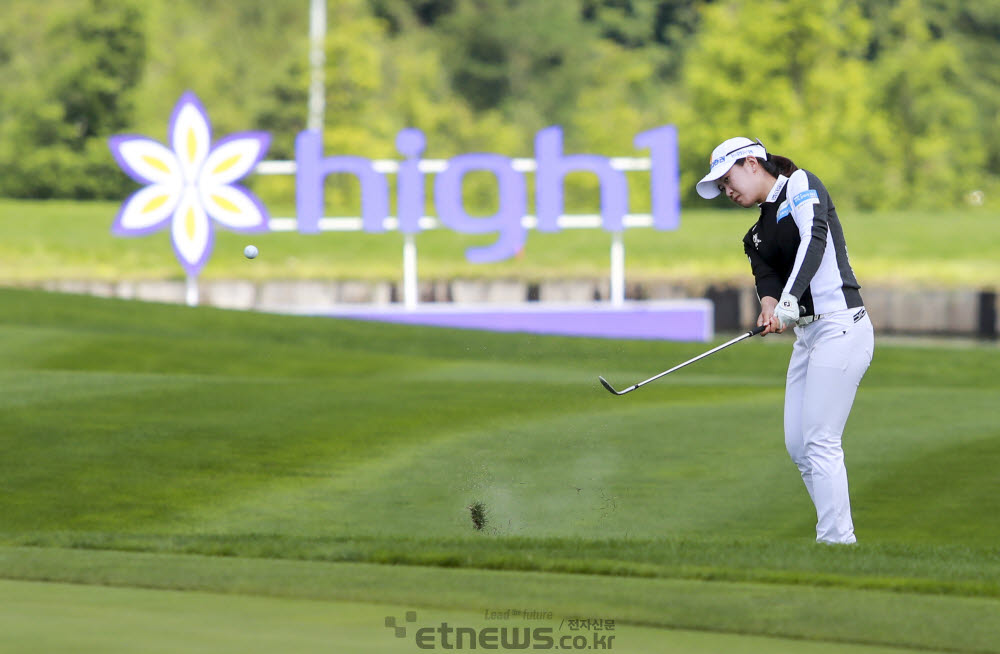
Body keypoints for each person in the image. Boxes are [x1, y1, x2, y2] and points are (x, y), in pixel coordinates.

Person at [696, 137, 874, 545]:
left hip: (842, 325)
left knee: (820, 440)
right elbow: (768, 280)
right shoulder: (755, 235)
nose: (728, 191)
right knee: (799, 447)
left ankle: (836, 542)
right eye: (722, 188)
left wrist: (789, 302)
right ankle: (839, 539)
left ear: (752, 163)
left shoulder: (800, 184)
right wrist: (770, 307)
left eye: (728, 180)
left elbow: (815, 238)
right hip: (809, 337)